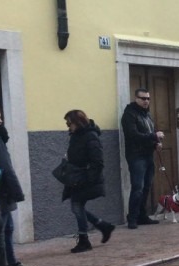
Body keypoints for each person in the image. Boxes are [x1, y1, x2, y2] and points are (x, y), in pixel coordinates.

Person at [63, 110, 115, 253]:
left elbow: (98, 161)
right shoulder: (76, 136)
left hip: (85, 180)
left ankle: (85, 239)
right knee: (77, 207)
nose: (68, 126)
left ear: (77, 122)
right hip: (77, 178)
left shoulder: (90, 136)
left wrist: (89, 179)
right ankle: (102, 226)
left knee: (76, 206)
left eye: (69, 123)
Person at [0, 107, 32, 266]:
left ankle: (10, 263)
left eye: (0, 117)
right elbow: (5, 167)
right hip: (1, 191)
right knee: (1, 232)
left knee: (7, 228)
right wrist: (17, 191)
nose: (0, 120)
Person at [121, 88, 163, 229]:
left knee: (146, 187)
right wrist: (154, 136)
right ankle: (132, 218)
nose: (146, 101)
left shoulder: (147, 115)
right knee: (137, 187)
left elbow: (149, 132)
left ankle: (142, 216)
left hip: (148, 154)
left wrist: (156, 143)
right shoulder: (129, 114)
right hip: (136, 156)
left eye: (148, 98)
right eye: (143, 98)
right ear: (136, 98)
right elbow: (133, 136)